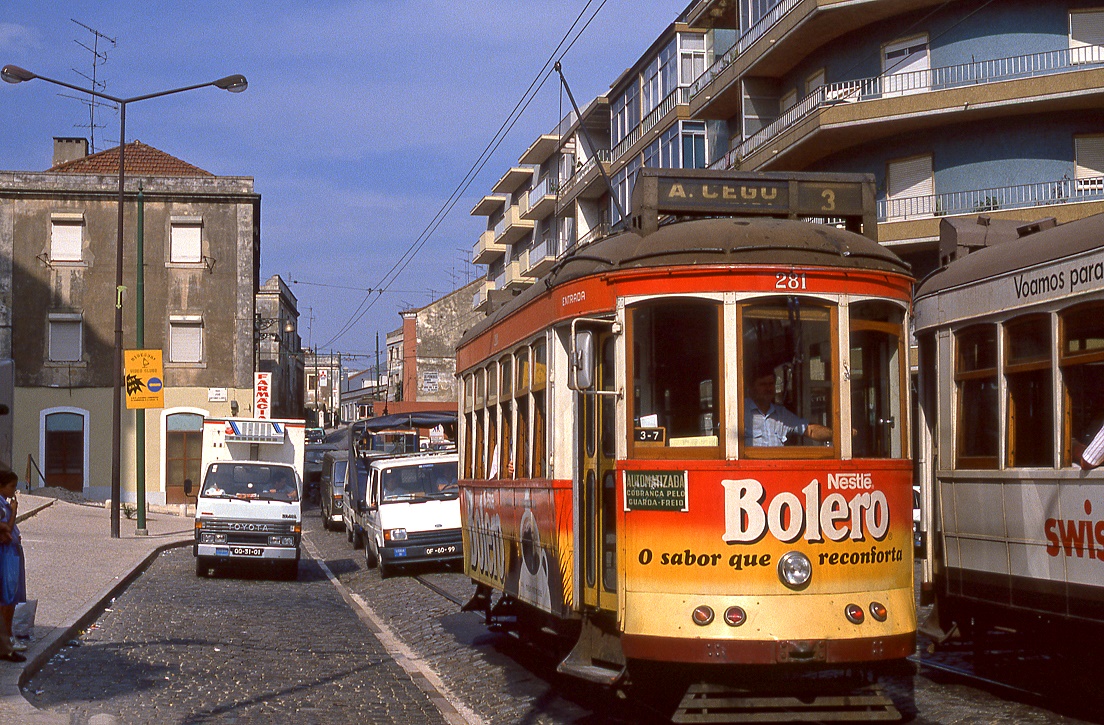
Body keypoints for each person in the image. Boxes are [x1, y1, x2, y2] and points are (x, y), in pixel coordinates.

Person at [745, 368, 832, 447]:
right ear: (752, 388)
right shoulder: (741, 411)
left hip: (778, 464)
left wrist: (839, 436)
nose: (768, 388)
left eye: (771, 384)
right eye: (763, 384)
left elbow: (810, 430)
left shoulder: (782, 414)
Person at [0, 470, 26, 663]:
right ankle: (7, 640)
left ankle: (7, 640)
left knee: (12, 594)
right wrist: (14, 512)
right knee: (7, 596)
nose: (14, 490)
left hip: (12, 550)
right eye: (12, 487)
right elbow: (6, 529)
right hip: (6, 553)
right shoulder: (3, 507)